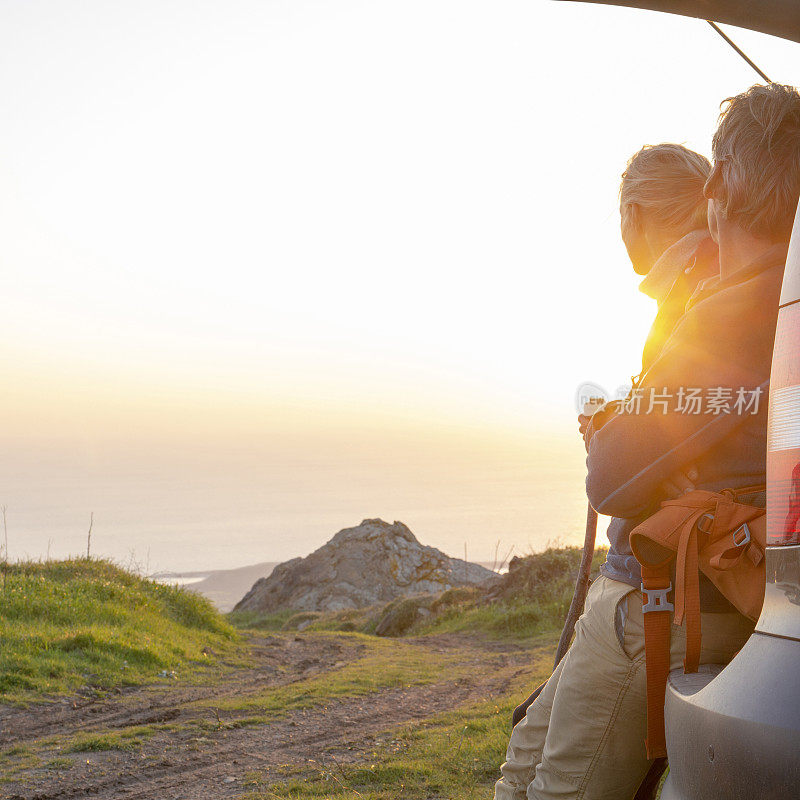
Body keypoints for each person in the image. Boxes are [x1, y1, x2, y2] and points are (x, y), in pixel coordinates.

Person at [495, 83, 800, 800]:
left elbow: (611, 480)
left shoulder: (727, 312)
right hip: (725, 602)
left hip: (657, 605)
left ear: (723, 185)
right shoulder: (776, 297)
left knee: (549, 789)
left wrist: (618, 430)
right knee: (525, 758)